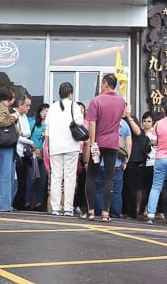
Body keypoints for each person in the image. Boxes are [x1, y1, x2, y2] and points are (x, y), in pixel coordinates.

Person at [85, 73, 127, 222]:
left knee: (91, 175)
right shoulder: (122, 102)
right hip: (113, 144)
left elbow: (92, 123)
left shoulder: (96, 101)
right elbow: (121, 117)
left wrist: (93, 142)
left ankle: (90, 211)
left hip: (98, 143)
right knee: (109, 177)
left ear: (104, 84)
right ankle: (105, 213)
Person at [46, 82, 82, 217]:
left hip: (55, 146)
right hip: (71, 146)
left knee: (56, 177)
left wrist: (48, 146)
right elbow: (79, 122)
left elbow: (48, 128)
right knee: (70, 178)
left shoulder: (53, 107)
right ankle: (68, 208)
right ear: (70, 93)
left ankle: (55, 207)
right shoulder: (74, 106)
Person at [12, 94, 33, 210]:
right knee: (16, 181)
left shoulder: (24, 116)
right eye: (27, 106)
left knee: (23, 181)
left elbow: (27, 132)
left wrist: (23, 135)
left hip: (24, 153)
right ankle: (14, 203)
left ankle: (20, 204)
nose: (28, 108)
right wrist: (30, 143)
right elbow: (16, 136)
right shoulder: (14, 115)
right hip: (16, 152)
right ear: (20, 105)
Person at [27, 103, 49, 211]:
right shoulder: (33, 124)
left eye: (47, 111)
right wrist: (33, 148)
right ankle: (27, 203)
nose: (45, 113)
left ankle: (39, 203)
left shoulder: (51, 126)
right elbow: (26, 137)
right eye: (43, 111)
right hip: (33, 156)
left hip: (44, 158)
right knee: (30, 181)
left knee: (42, 182)